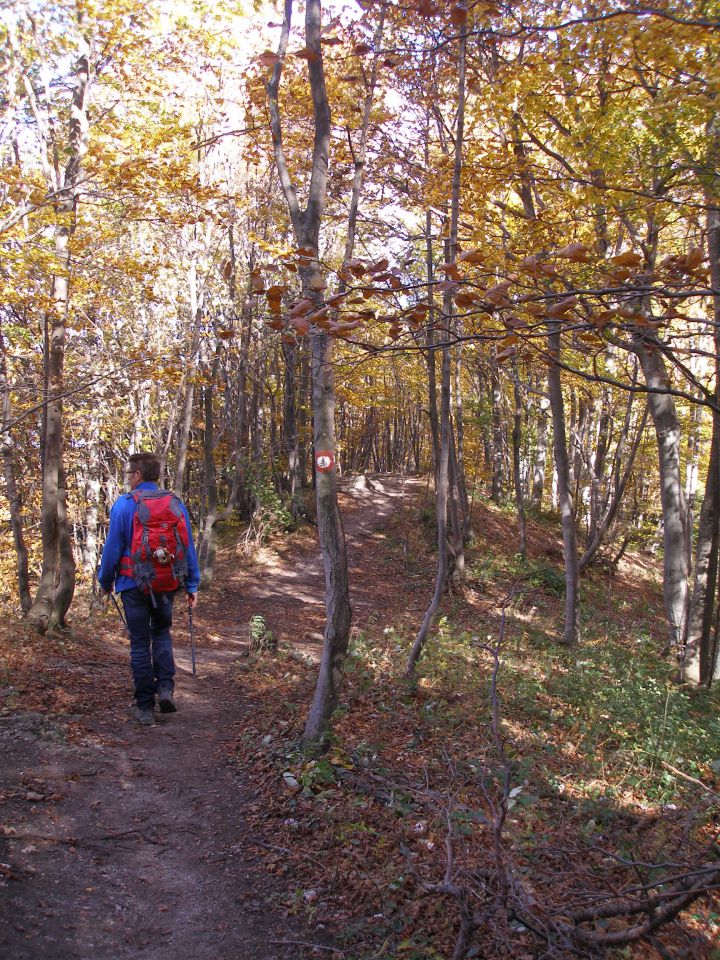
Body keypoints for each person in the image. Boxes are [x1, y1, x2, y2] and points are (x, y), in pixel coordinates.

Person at [98, 452, 200, 726]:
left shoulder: (124, 505)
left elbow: (113, 549)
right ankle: (165, 688)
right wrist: (192, 584)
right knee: (162, 634)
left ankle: (144, 707)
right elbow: (187, 546)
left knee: (140, 644)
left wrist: (105, 580)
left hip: (133, 585)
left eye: (130, 473)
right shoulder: (175, 503)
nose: (128, 478)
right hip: (167, 582)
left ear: (138, 475)